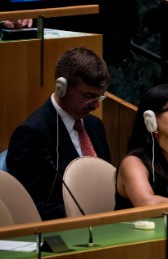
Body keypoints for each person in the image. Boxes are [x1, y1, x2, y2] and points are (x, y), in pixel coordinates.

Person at [6, 47, 111, 220]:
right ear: (61, 87)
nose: (95, 106)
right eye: (87, 96)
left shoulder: (95, 126)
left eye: (99, 97)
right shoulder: (31, 134)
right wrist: (81, 215)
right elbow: (30, 206)